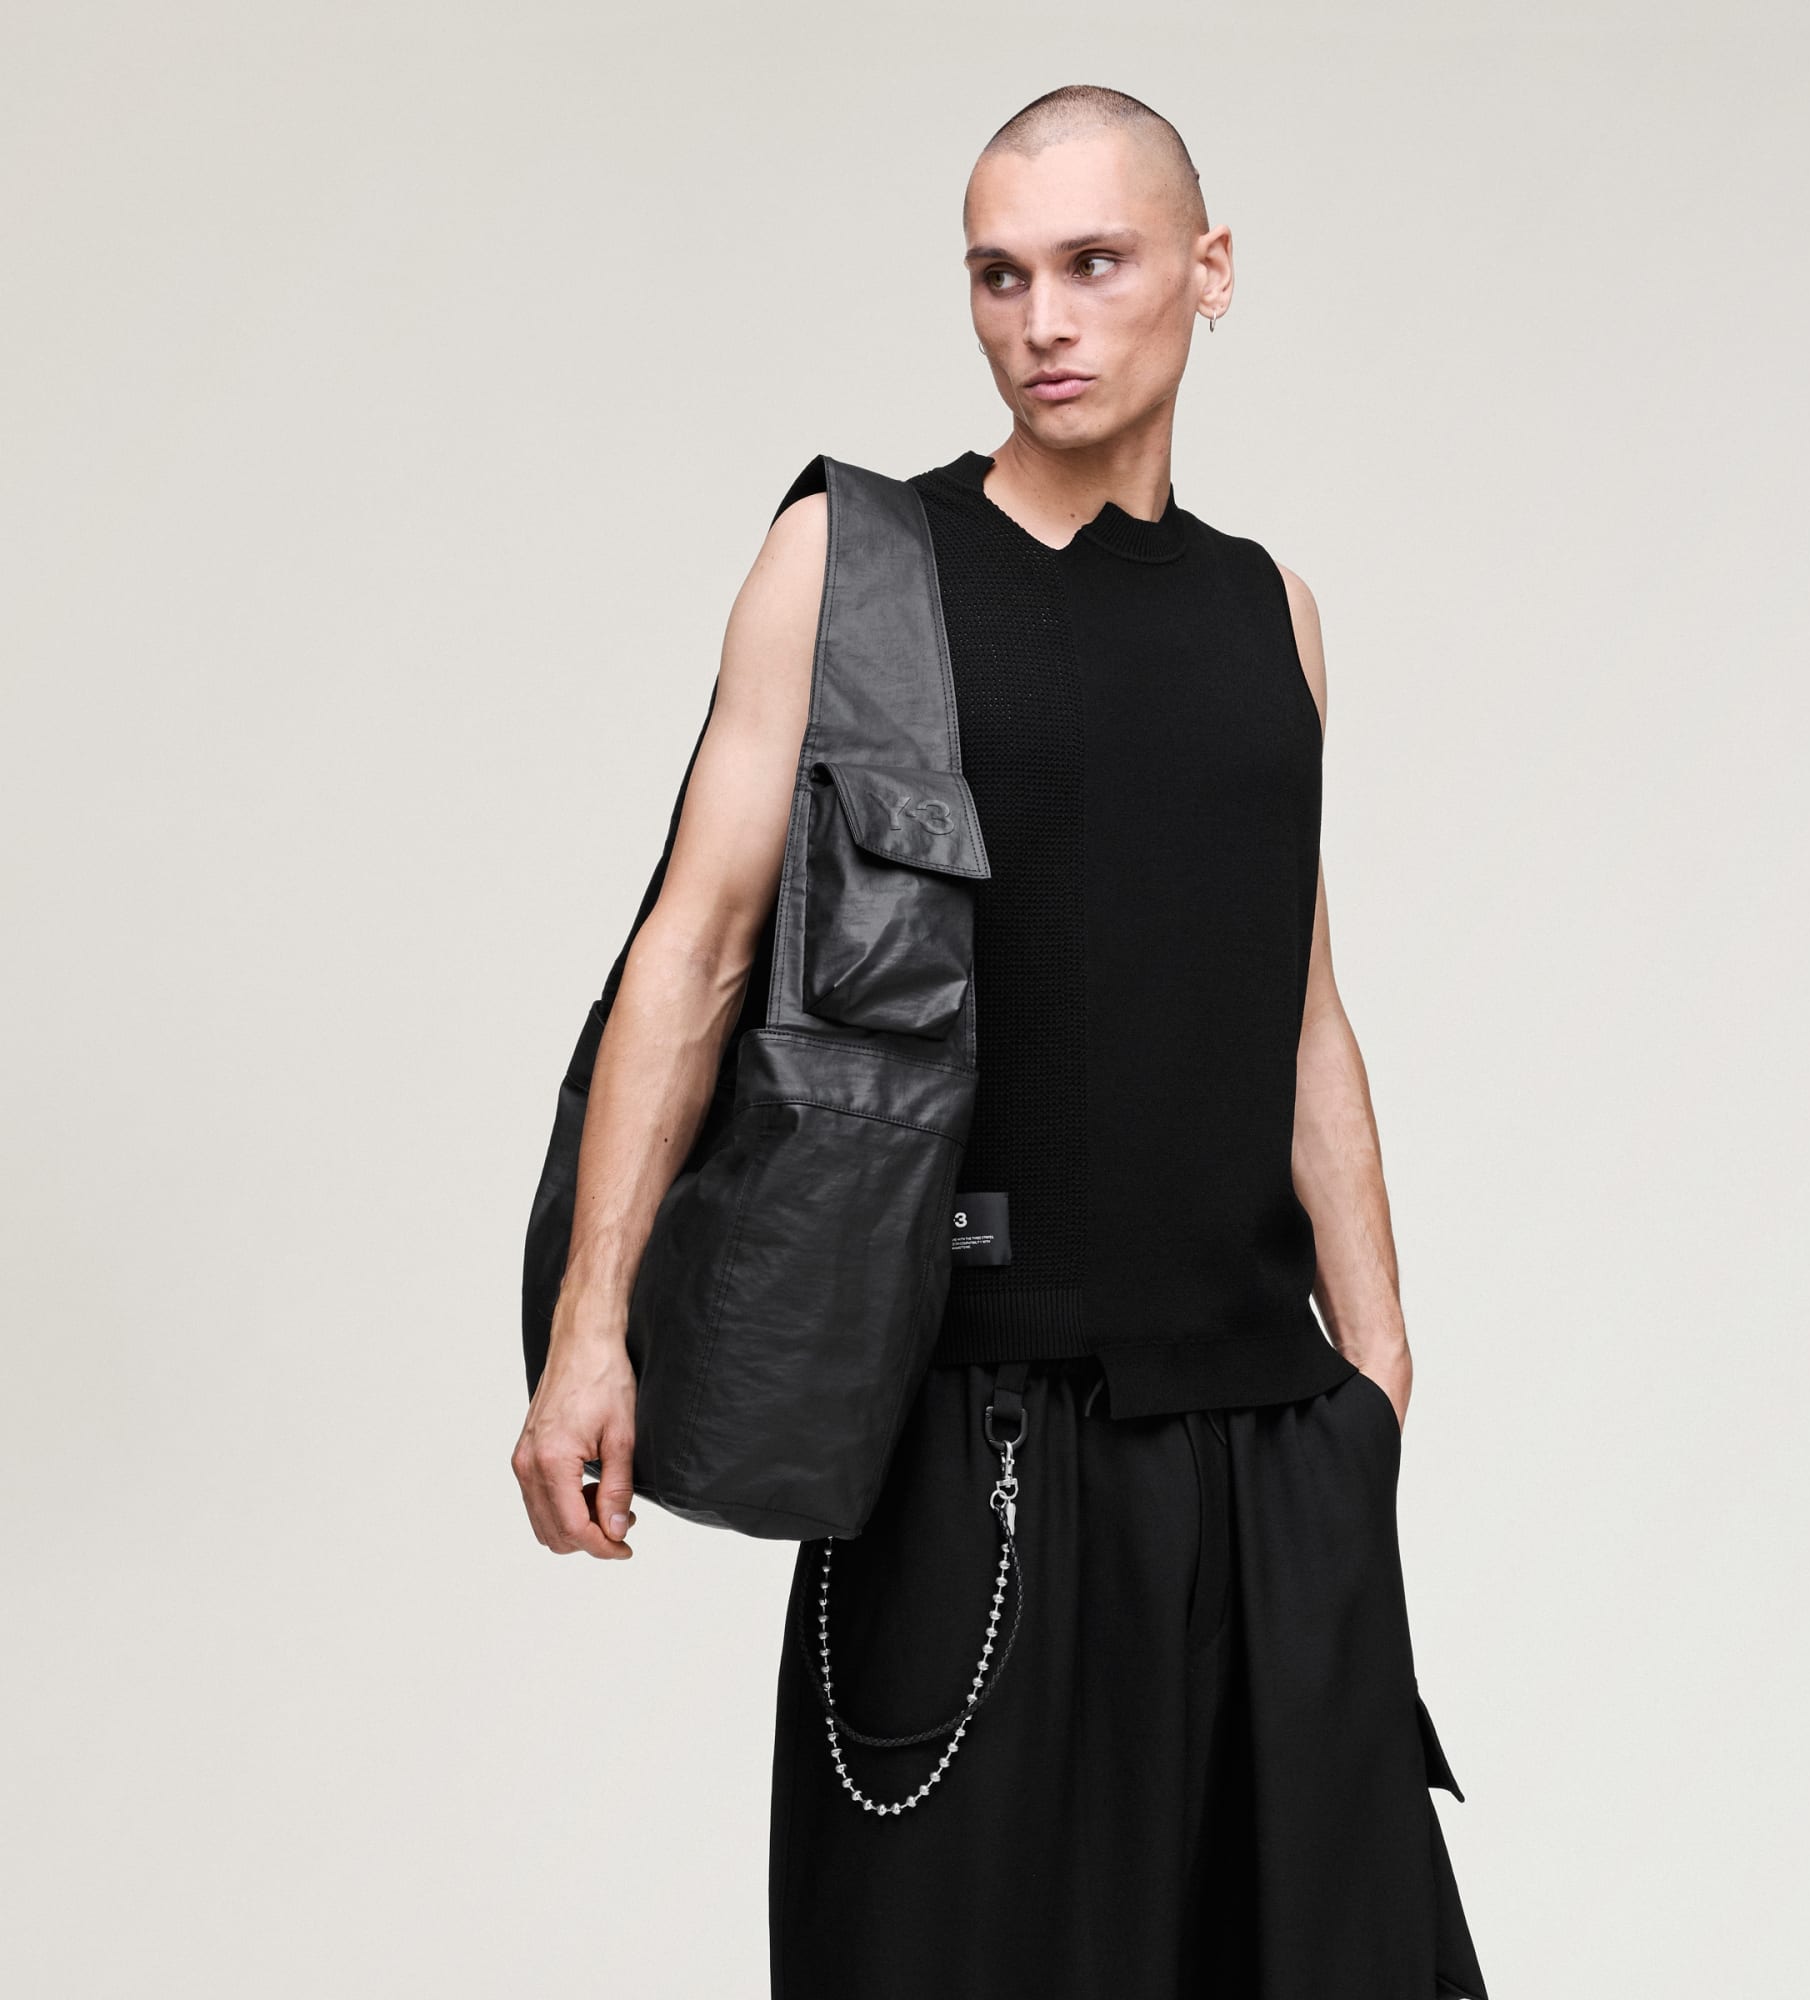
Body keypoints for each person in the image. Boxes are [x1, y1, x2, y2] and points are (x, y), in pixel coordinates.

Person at [513, 82, 1488, 2000]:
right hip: (976, 1441)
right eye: (999, 275)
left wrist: (1376, 1373)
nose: (1042, 321)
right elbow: (692, 953)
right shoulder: (856, 563)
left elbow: (1298, 1001)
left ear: (1209, 271)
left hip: (1266, 1438)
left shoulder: (1271, 614)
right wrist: (587, 1332)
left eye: (1094, 265)